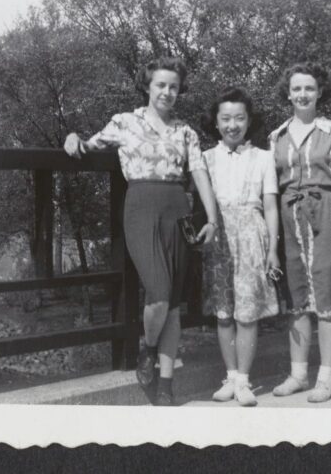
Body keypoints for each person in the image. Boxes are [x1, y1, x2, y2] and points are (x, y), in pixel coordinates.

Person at [63, 57, 218, 407]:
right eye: (161, 84)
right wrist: (73, 137)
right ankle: (146, 347)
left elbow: (200, 173)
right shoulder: (124, 122)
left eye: (174, 86)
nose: (167, 91)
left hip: (178, 210)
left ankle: (165, 385)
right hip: (141, 208)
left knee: (174, 305)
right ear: (147, 85)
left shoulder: (185, 131)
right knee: (159, 293)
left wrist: (213, 217)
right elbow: (88, 146)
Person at [269, 62, 331, 403]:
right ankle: (298, 375)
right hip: (290, 216)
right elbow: (272, 188)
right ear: (288, 93)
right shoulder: (275, 136)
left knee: (326, 293)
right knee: (296, 298)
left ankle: (327, 378)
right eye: (296, 89)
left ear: (320, 92)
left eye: (309, 88)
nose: (302, 94)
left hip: (326, 214)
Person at [199, 87, 281, 407]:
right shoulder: (205, 158)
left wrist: (272, 249)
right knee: (223, 311)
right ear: (216, 123)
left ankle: (245, 381)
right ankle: (230, 376)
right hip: (219, 236)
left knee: (247, 312)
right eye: (226, 119)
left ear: (248, 121)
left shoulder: (263, 158)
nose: (233, 125)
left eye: (239, 118)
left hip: (251, 235)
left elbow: (271, 206)